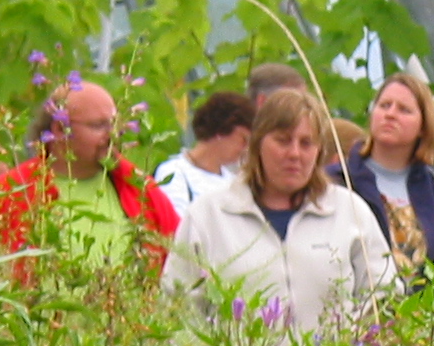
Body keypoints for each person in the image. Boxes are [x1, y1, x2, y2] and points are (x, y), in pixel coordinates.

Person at [166, 86, 394, 332]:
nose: (294, 153)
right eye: (282, 141)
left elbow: (384, 296)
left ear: (319, 152)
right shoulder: (209, 216)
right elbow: (176, 310)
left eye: (306, 143)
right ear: (257, 145)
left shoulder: (349, 212)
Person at [0, 78, 178, 279]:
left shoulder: (141, 190)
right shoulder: (11, 193)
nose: (114, 134)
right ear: (59, 129)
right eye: (98, 126)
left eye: (115, 124)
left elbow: (184, 259)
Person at [330, 72, 434, 312]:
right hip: (360, 336)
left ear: (424, 126)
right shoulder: (336, 181)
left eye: (404, 109)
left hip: (433, 339)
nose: (390, 114)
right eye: (384, 105)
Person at [155, 91, 253, 218]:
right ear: (221, 130)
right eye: (243, 139)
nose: (245, 149)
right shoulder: (175, 172)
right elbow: (174, 223)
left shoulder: (234, 183)